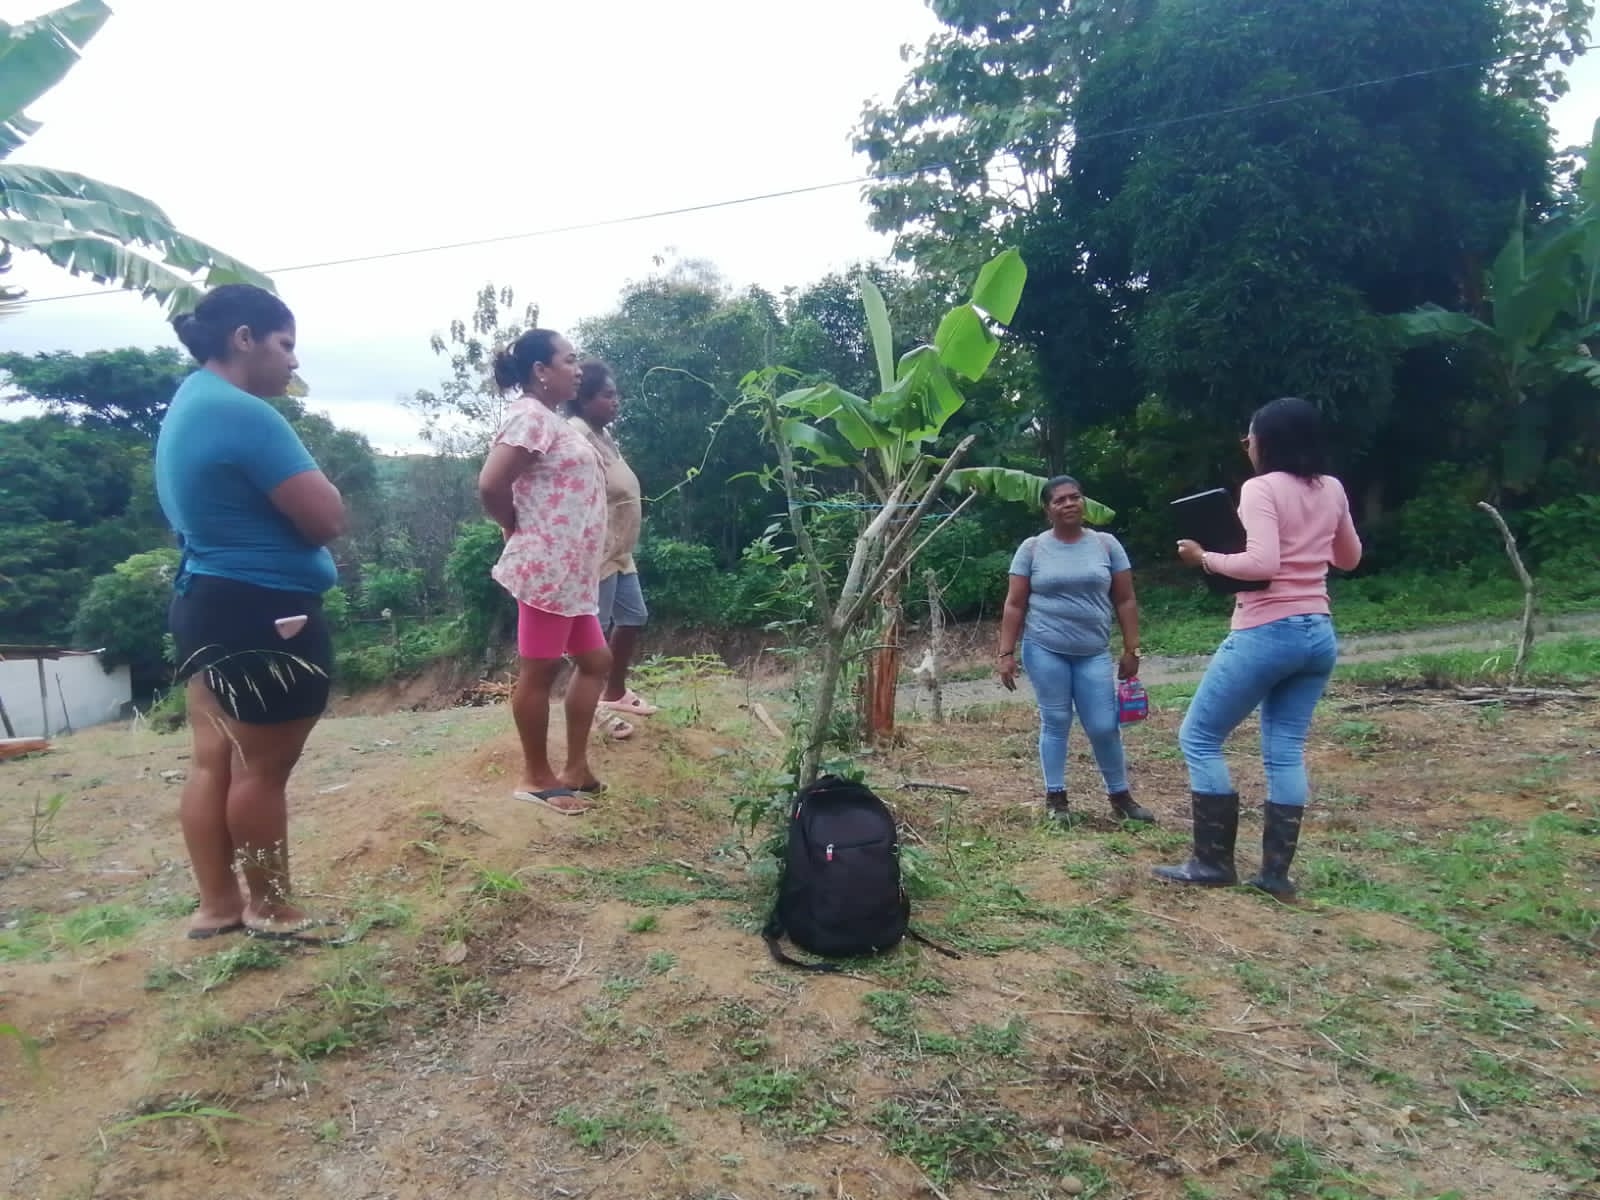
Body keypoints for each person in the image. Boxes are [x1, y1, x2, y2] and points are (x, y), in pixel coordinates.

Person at [156, 284, 347, 942]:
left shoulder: (190, 401)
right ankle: (271, 907)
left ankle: (219, 905)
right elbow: (325, 518)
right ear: (244, 338)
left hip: (206, 601)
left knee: (214, 761)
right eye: (285, 344)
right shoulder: (243, 412)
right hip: (265, 610)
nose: (293, 361)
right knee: (261, 768)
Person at [1156, 397, 1363, 898]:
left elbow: (1262, 564)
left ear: (1266, 441)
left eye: (1249, 436)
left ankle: (1212, 862)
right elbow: (1349, 558)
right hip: (1318, 630)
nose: (1246, 444)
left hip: (1267, 629)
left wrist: (1205, 558)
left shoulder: (1260, 488)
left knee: (1199, 737)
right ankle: (1274, 875)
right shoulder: (1332, 488)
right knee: (1285, 751)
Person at [478, 330, 610, 814]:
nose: (577, 369)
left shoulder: (552, 420)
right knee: (540, 672)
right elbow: (491, 484)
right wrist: (517, 527)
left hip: (571, 575)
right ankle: (536, 777)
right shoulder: (530, 417)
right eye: (569, 360)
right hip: (548, 571)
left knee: (596, 662)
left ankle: (575, 768)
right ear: (541, 370)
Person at [998, 476, 1154, 825]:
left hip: (1093, 651)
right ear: (1047, 509)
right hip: (1045, 648)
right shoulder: (1032, 549)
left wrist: (1132, 648)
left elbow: (1125, 599)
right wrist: (1005, 654)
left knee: (1103, 725)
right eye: (1059, 500)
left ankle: (1120, 797)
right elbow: (1014, 604)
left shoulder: (1106, 545)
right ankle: (1056, 799)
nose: (1069, 504)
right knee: (1056, 720)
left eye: (1075, 497)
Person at [566, 361, 658, 741]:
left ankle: (615, 692)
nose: (615, 401)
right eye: (607, 395)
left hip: (621, 551)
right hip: (597, 554)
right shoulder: (577, 435)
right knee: (593, 638)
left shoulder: (603, 435)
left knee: (633, 616)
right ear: (584, 399)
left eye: (615, 394)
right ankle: (593, 711)